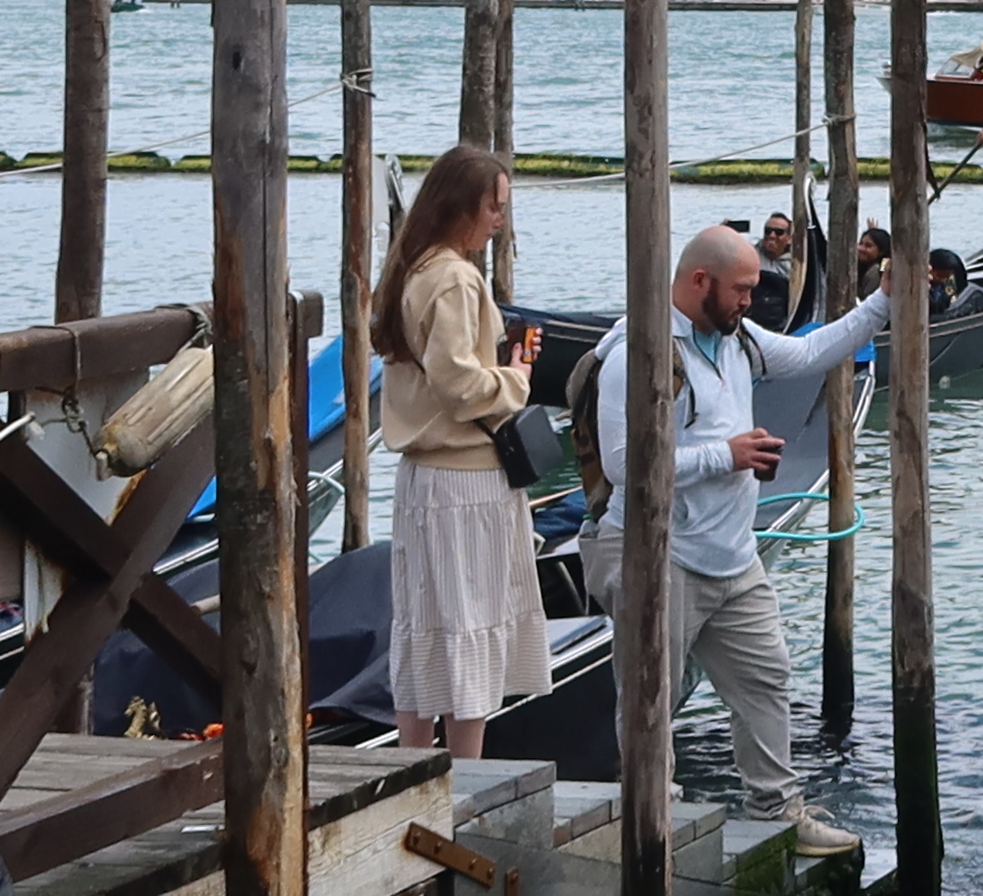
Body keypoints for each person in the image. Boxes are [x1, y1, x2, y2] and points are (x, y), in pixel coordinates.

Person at [578, 222, 878, 855]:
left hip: (733, 557)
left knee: (768, 677)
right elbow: (624, 465)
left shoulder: (736, 337)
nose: (751, 299)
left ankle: (778, 811)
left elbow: (803, 354)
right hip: (659, 557)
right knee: (649, 697)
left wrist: (885, 305)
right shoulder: (637, 353)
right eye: (741, 289)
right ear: (699, 282)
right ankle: (650, 817)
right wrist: (729, 454)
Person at [370, 143, 545, 758]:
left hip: (421, 479)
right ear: (461, 206)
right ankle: (463, 778)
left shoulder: (410, 269)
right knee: (470, 622)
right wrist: (517, 377)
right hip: (466, 481)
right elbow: (461, 385)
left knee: (424, 624)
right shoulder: (455, 277)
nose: (500, 220)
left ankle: (413, 764)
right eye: (494, 207)